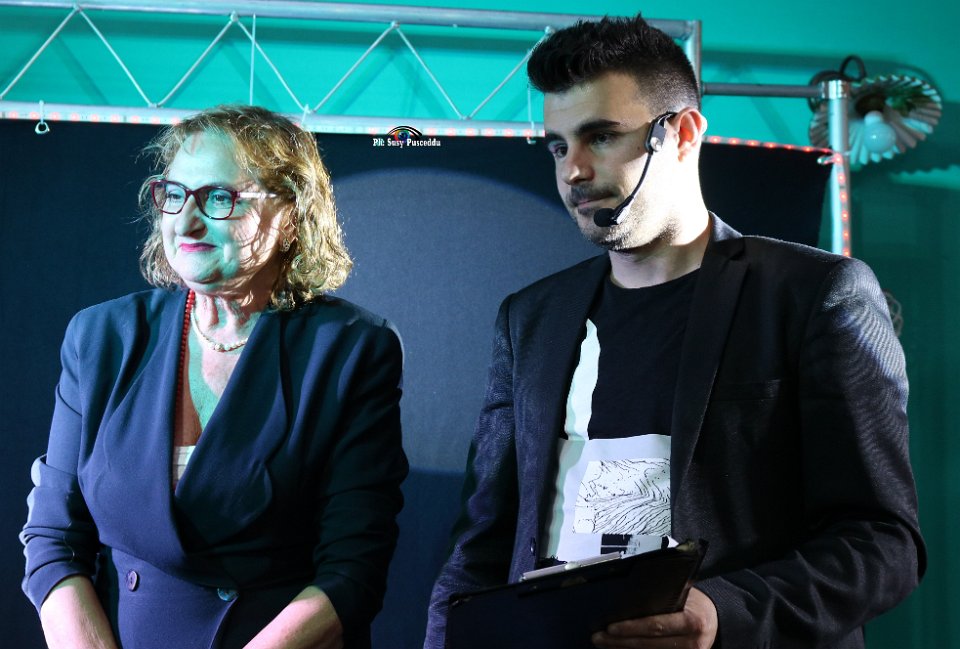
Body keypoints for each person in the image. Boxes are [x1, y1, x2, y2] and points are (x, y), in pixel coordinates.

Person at [426, 15, 924, 649]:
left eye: (600, 136)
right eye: (557, 146)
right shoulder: (530, 318)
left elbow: (883, 541)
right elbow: (480, 547)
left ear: (683, 133)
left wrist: (723, 612)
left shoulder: (816, 294)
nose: (573, 170)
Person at [21, 105, 408, 649]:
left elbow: (353, 568)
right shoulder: (101, 337)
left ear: (290, 214)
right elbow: (53, 540)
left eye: (219, 198)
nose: (186, 221)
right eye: (174, 195)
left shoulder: (350, 349)